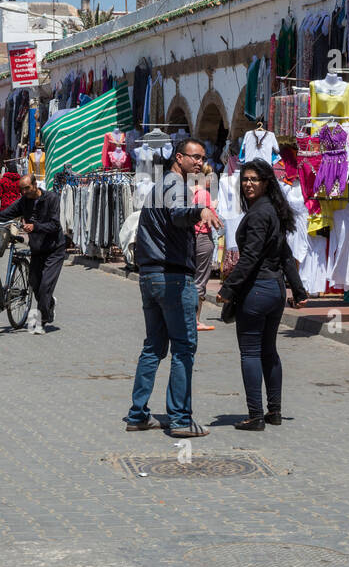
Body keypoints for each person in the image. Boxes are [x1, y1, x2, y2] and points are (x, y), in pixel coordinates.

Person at [124, 139, 221, 437]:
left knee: (154, 346)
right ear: (178, 158)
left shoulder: (159, 186)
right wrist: (199, 212)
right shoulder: (176, 186)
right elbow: (180, 214)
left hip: (151, 276)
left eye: (203, 158)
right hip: (173, 279)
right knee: (183, 348)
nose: (199, 163)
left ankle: (138, 414)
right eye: (194, 157)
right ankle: (180, 419)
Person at [217, 159, 308, 430]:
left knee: (250, 353)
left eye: (254, 179)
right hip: (275, 292)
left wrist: (229, 288)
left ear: (267, 182)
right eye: (245, 179)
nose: (248, 184)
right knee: (269, 351)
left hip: (257, 291)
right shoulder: (272, 211)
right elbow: (285, 255)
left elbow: (252, 257)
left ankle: (255, 415)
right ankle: (275, 412)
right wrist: (298, 290)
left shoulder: (259, 214)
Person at [0, 173, 65, 332]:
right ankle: (48, 304)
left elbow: (55, 225)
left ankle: (42, 318)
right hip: (37, 249)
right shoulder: (23, 202)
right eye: (22, 190)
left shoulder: (51, 198)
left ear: (35, 185)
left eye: (27, 188)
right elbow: (5, 214)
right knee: (34, 283)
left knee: (45, 286)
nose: (24, 192)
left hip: (54, 250)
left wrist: (35, 227)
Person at [192, 178, 218, 332]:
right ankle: (195, 320)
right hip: (202, 237)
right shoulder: (203, 194)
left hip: (191, 237)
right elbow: (210, 221)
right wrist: (214, 209)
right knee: (200, 280)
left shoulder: (189, 192)